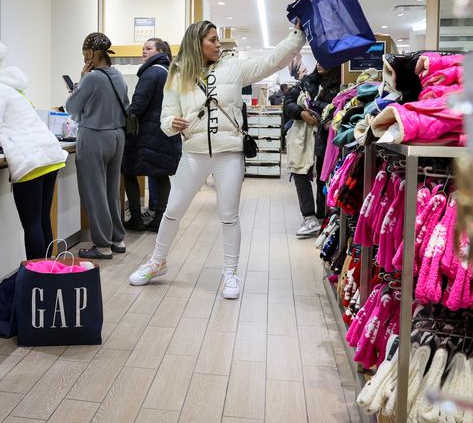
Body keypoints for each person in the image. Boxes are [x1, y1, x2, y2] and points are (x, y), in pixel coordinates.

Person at [129, 19, 305, 298]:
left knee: (228, 216)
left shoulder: (233, 67)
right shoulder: (176, 74)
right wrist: (170, 124)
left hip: (228, 153)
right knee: (172, 210)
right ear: (196, 42)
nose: (217, 43)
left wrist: (297, 35)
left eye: (217, 39)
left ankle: (230, 273)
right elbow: (165, 116)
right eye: (211, 39)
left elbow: (272, 61)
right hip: (193, 152)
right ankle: (157, 262)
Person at [0, 39, 68, 259]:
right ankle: (48, 275)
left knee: (32, 224)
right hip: (48, 154)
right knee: (42, 219)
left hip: (30, 159)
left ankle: (36, 280)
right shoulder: (11, 87)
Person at [66, 33, 129, 259]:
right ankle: (117, 239)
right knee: (111, 190)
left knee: (94, 192)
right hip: (117, 136)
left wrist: (81, 80)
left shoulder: (92, 78)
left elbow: (71, 106)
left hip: (94, 135)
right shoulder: (118, 76)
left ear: (91, 53)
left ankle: (101, 245)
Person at [122, 38, 182, 232]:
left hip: (147, 134)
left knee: (128, 171)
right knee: (161, 174)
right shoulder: (170, 72)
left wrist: (123, 120)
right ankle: (160, 219)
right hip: (166, 131)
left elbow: (138, 105)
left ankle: (136, 217)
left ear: (160, 51)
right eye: (143, 48)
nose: (143, 52)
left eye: (148, 48)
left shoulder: (151, 73)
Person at [284, 63, 342, 238]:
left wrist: (316, 105)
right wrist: (301, 114)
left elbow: (338, 109)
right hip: (303, 138)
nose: (319, 64)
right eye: (318, 60)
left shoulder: (340, 86)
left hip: (325, 137)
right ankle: (308, 216)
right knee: (300, 173)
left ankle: (322, 217)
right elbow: (288, 103)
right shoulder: (307, 82)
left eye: (324, 61)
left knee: (324, 177)